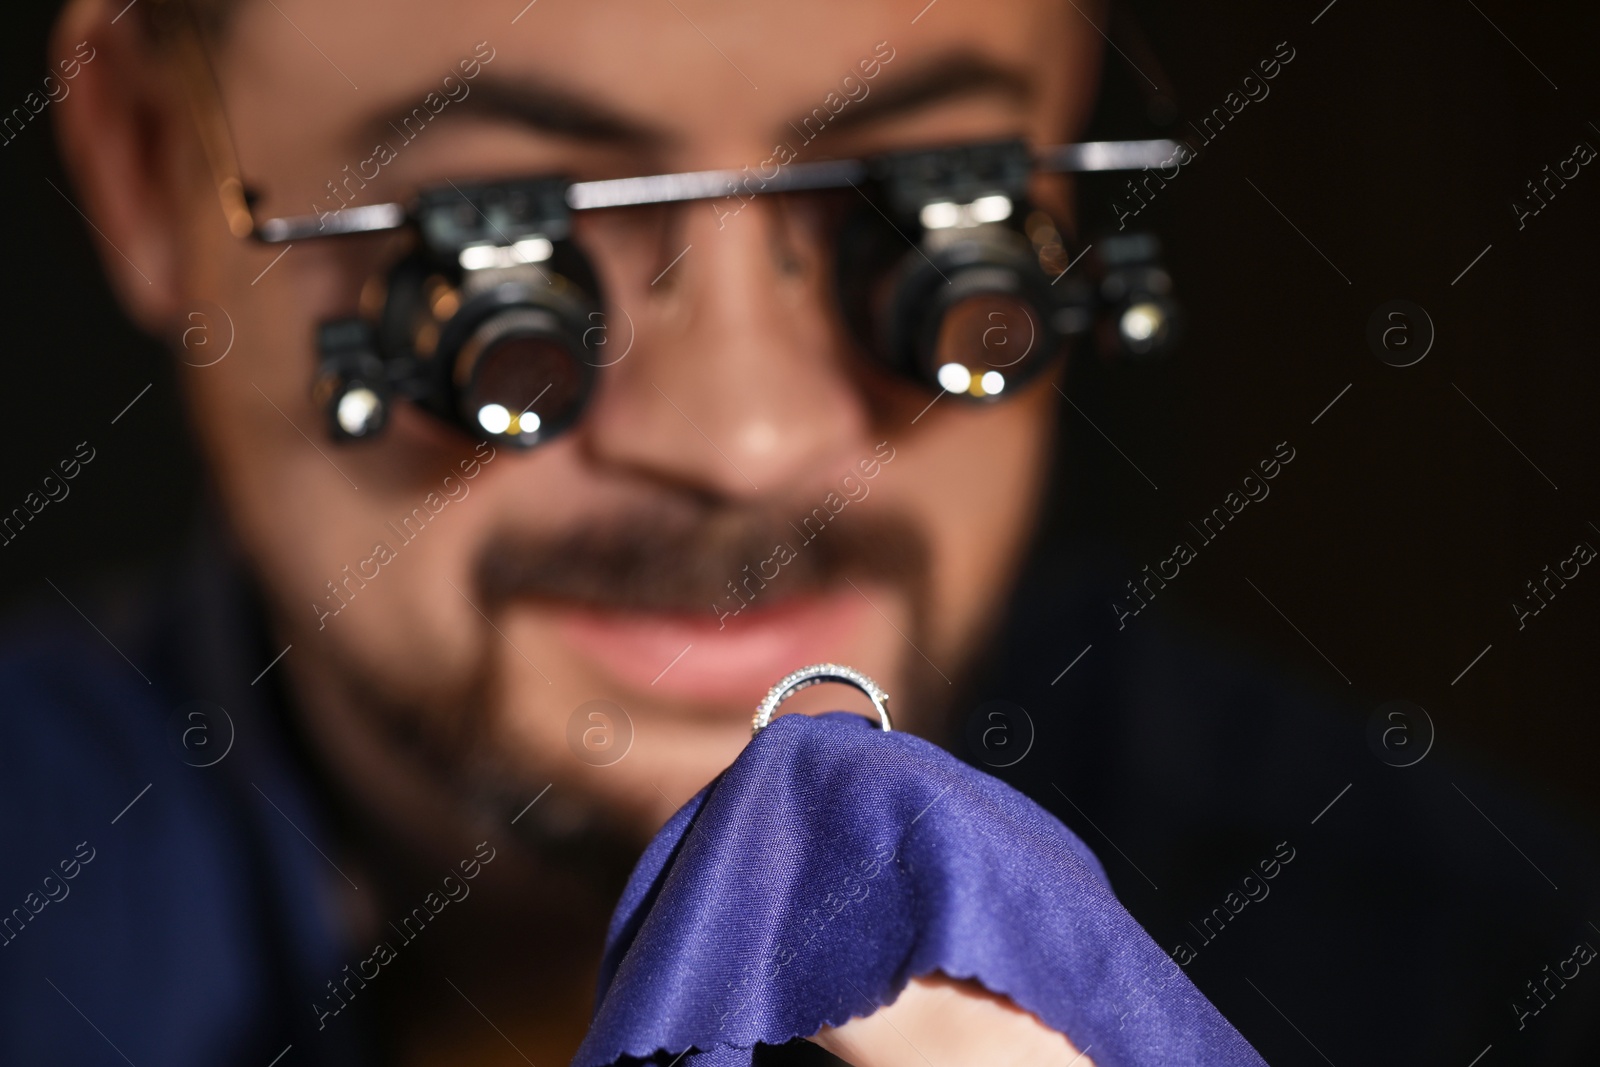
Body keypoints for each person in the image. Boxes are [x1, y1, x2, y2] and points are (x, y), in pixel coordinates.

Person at [2, 0, 1595, 1062]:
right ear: (147, 163)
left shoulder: (1486, 965)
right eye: (513, 253)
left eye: (923, 210)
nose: (746, 446)